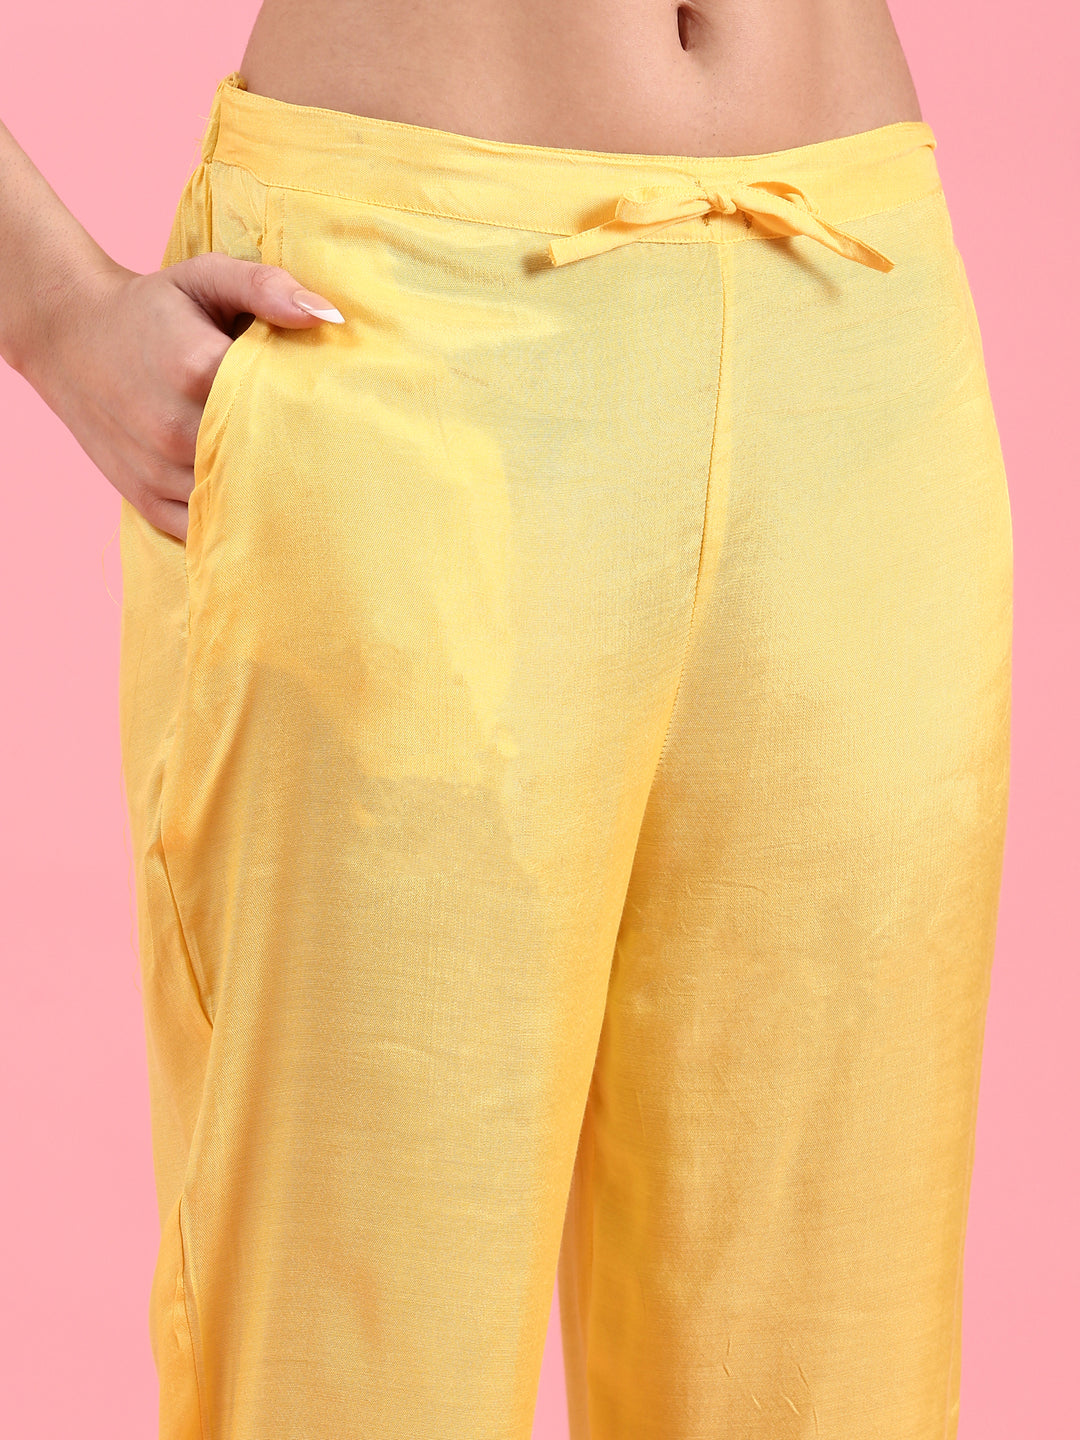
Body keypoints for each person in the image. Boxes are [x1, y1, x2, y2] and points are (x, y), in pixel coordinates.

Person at [0, 4, 1013, 1438]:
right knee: (354, 1367)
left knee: (832, 1370)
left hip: (862, 315)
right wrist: (52, 308)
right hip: (407, 320)